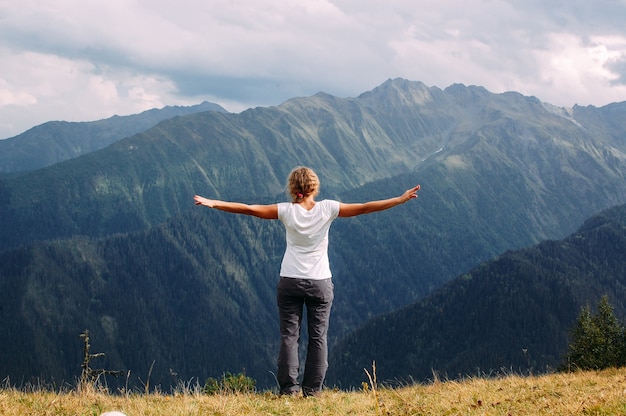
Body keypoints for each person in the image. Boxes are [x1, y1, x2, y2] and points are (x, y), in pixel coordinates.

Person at [194, 166, 420, 397]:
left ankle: (289, 389)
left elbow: (249, 210)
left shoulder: (285, 211)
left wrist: (215, 203)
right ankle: (312, 390)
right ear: (314, 187)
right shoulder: (329, 208)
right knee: (318, 337)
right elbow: (365, 208)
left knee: (289, 337)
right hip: (320, 282)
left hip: (290, 280)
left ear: (293, 189)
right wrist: (399, 200)